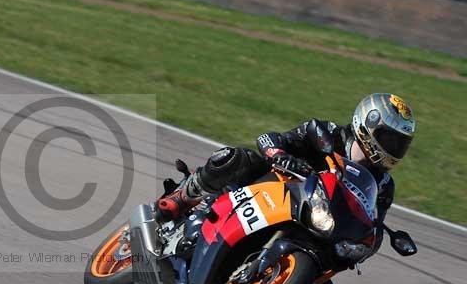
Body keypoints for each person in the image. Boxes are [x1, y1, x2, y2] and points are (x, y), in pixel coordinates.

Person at [156, 93, 416, 241]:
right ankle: (182, 197)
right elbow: (269, 139)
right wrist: (278, 154)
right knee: (235, 157)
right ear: (368, 124)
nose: (394, 148)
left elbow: (373, 226)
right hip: (269, 189)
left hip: (312, 221)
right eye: (389, 139)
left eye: (401, 144)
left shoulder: (382, 186)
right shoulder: (327, 133)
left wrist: (367, 243)